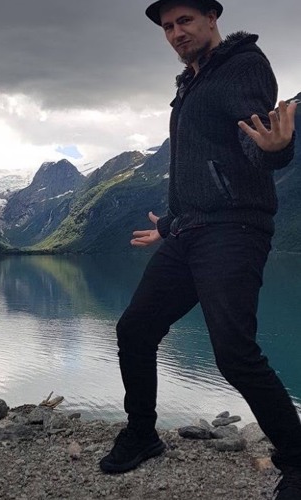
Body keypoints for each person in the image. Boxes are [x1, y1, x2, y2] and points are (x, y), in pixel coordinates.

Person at [99, 0, 301, 498]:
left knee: (234, 354)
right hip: (190, 233)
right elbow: (205, 168)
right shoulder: (191, 83)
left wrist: (276, 150)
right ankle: (142, 434)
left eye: (185, 21)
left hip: (234, 231)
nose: (176, 32)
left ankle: (297, 459)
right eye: (168, 26)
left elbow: (254, 136)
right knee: (135, 329)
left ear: (212, 18)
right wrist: (168, 226)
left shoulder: (242, 65)